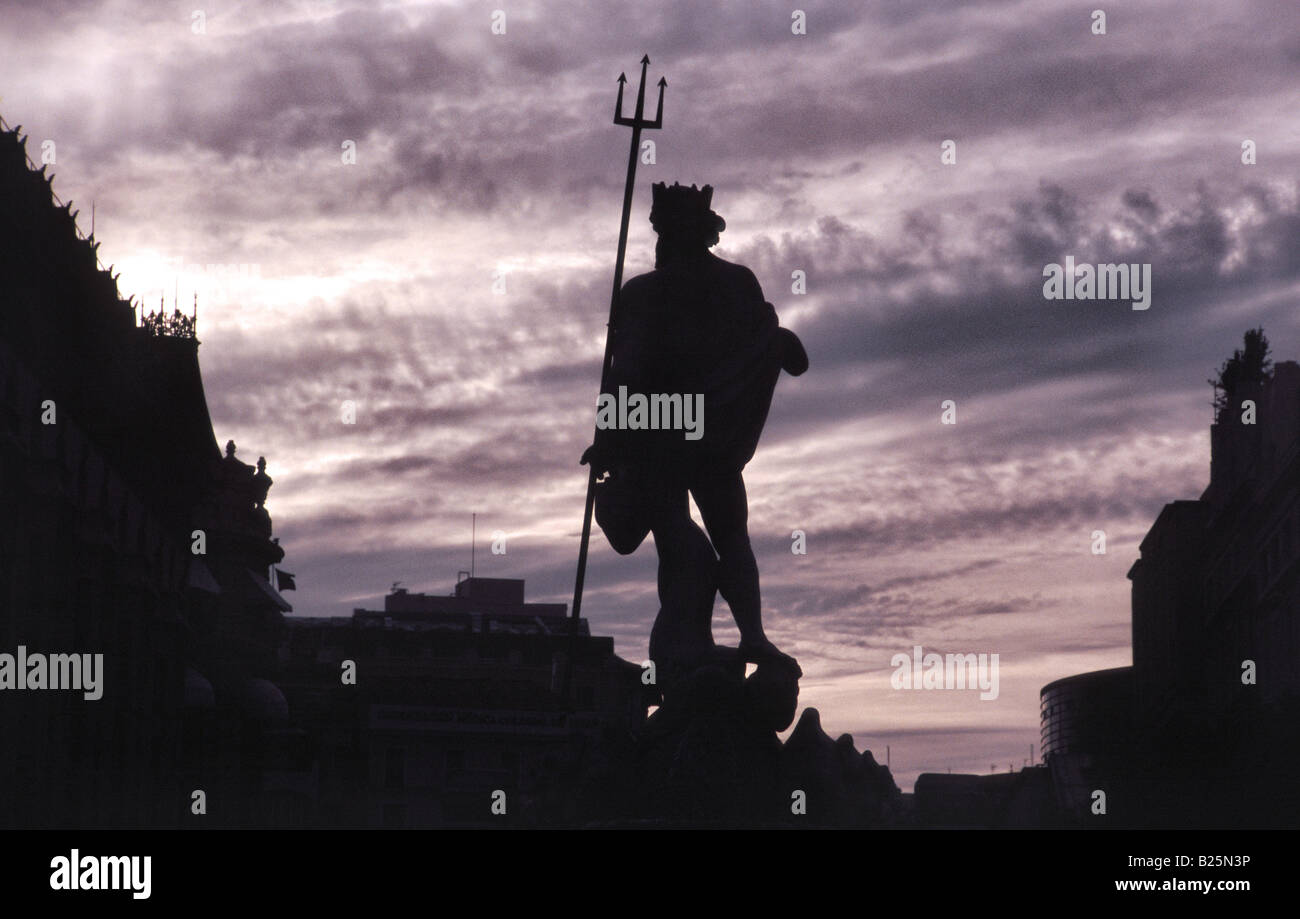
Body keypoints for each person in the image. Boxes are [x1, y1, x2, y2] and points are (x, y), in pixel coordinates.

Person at [583, 182, 807, 673]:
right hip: (702, 434)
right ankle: (725, 639)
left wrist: (608, 437)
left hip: (666, 432)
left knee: (689, 539)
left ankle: (710, 640)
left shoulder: (649, 293)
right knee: (721, 539)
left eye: (663, 233)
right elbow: (778, 346)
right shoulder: (730, 284)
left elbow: (626, 373)